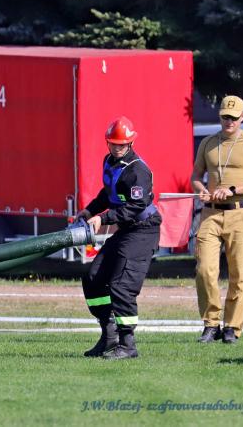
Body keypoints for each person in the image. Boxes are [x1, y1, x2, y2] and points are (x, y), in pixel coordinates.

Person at [77, 116, 161, 360]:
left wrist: (103, 219)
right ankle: (109, 335)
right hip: (126, 230)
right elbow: (108, 193)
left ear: (131, 143)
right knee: (93, 278)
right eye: (113, 143)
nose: (117, 148)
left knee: (122, 285)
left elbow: (135, 206)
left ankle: (128, 344)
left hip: (143, 231)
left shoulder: (138, 171)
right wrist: (90, 210)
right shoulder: (109, 162)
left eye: (121, 144)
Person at [192, 96, 243, 344]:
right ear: (220, 116)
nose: (230, 121)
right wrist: (200, 189)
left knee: (239, 273)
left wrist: (233, 190)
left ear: (242, 117)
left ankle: (232, 328)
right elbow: (196, 176)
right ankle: (211, 324)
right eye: (226, 116)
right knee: (204, 270)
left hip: (241, 213)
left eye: (234, 118)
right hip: (211, 214)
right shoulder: (208, 143)